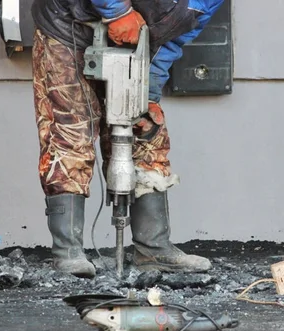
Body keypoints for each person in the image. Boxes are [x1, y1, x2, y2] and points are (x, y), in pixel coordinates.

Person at [31, 0, 225, 278]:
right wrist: (116, 11)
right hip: (67, 25)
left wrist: (149, 93)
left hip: (136, 40)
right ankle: (68, 254)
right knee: (70, 130)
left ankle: (153, 248)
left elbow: (170, 43)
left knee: (144, 130)